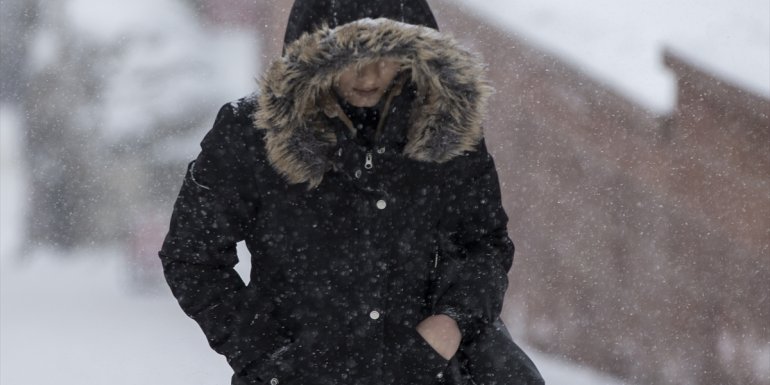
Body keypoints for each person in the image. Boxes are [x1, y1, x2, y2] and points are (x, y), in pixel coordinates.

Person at [159, 1, 544, 384]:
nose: (368, 75)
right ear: (313, 57)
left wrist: (452, 322)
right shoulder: (251, 133)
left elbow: (485, 244)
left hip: (423, 373)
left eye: (385, 55)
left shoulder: (445, 129)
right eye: (348, 56)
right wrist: (270, 358)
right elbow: (192, 256)